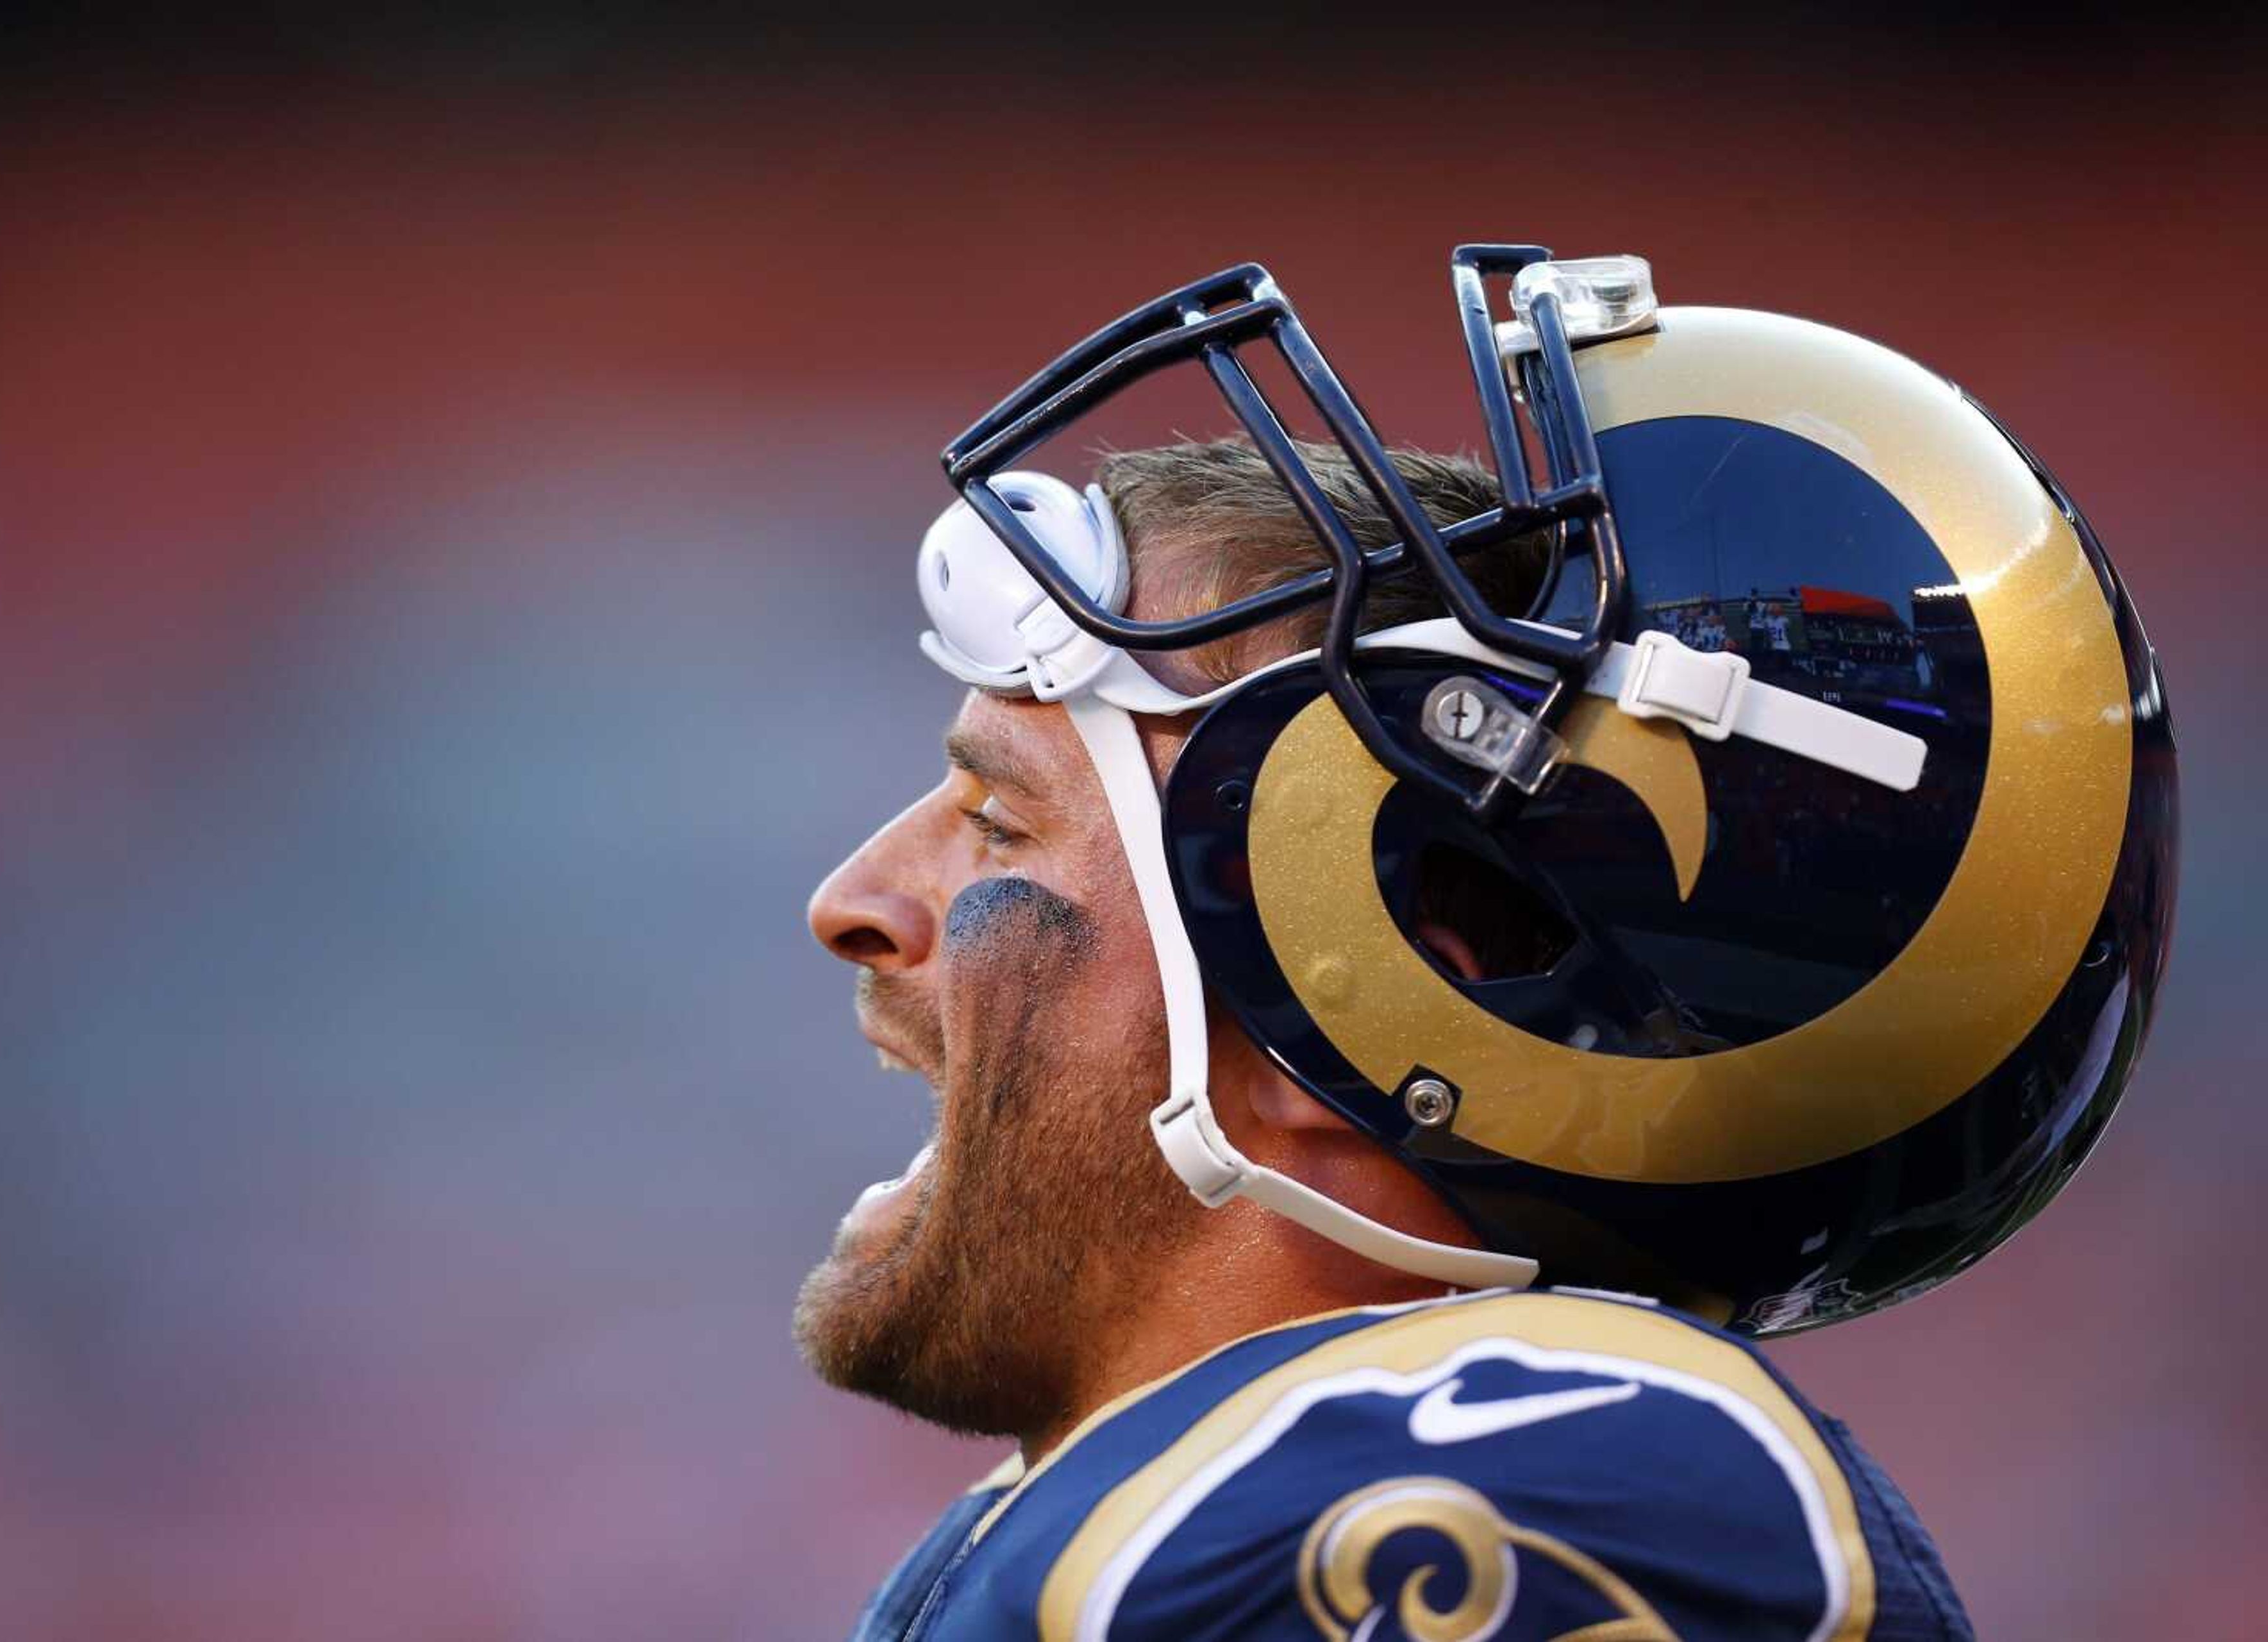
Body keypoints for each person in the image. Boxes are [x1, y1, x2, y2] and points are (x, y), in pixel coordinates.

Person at [796, 250, 2175, 1641]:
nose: (854, 898)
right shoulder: (1155, 1509)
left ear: (1379, 990)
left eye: (1000, 822)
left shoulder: (1510, 1480)